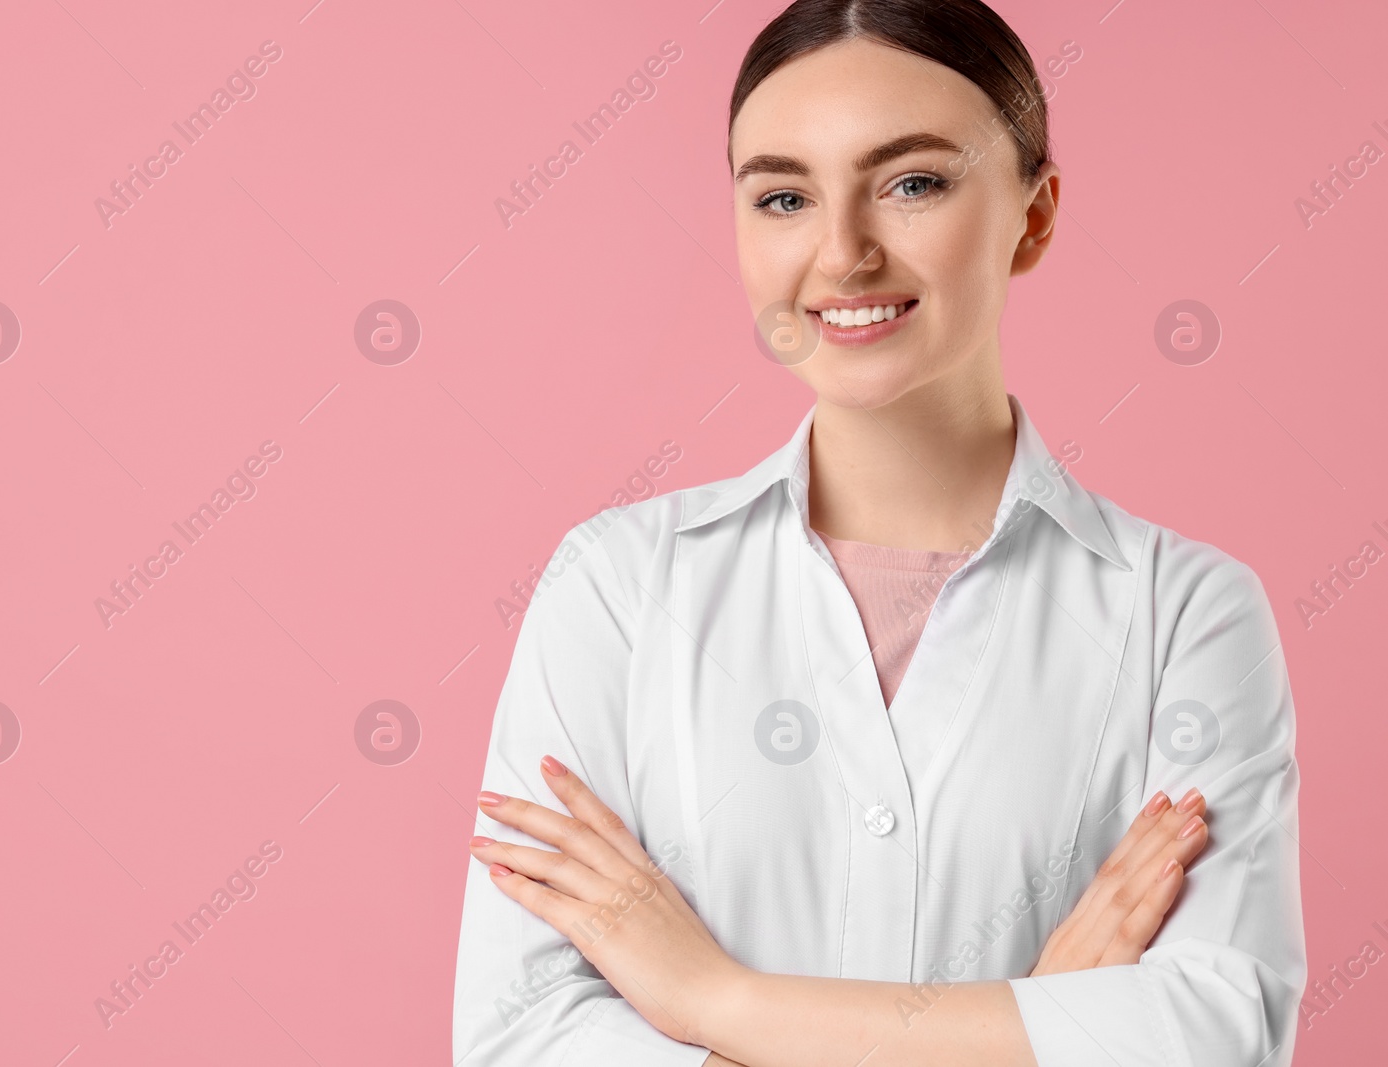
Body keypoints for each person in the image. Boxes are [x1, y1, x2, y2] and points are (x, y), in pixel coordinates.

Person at [452, 2, 1305, 1064]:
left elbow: (1214, 1035)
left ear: (1032, 216)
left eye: (913, 183)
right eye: (782, 196)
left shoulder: (1183, 611)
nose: (842, 252)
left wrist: (712, 999)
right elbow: (519, 1038)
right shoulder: (619, 589)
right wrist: (1038, 1019)